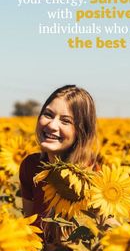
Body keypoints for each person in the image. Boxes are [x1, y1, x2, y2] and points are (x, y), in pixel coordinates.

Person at [19, 84, 97, 229]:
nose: (52, 125)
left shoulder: (95, 177)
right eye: (48, 114)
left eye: (66, 121)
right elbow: (29, 227)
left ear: (81, 131)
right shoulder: (31, 166)